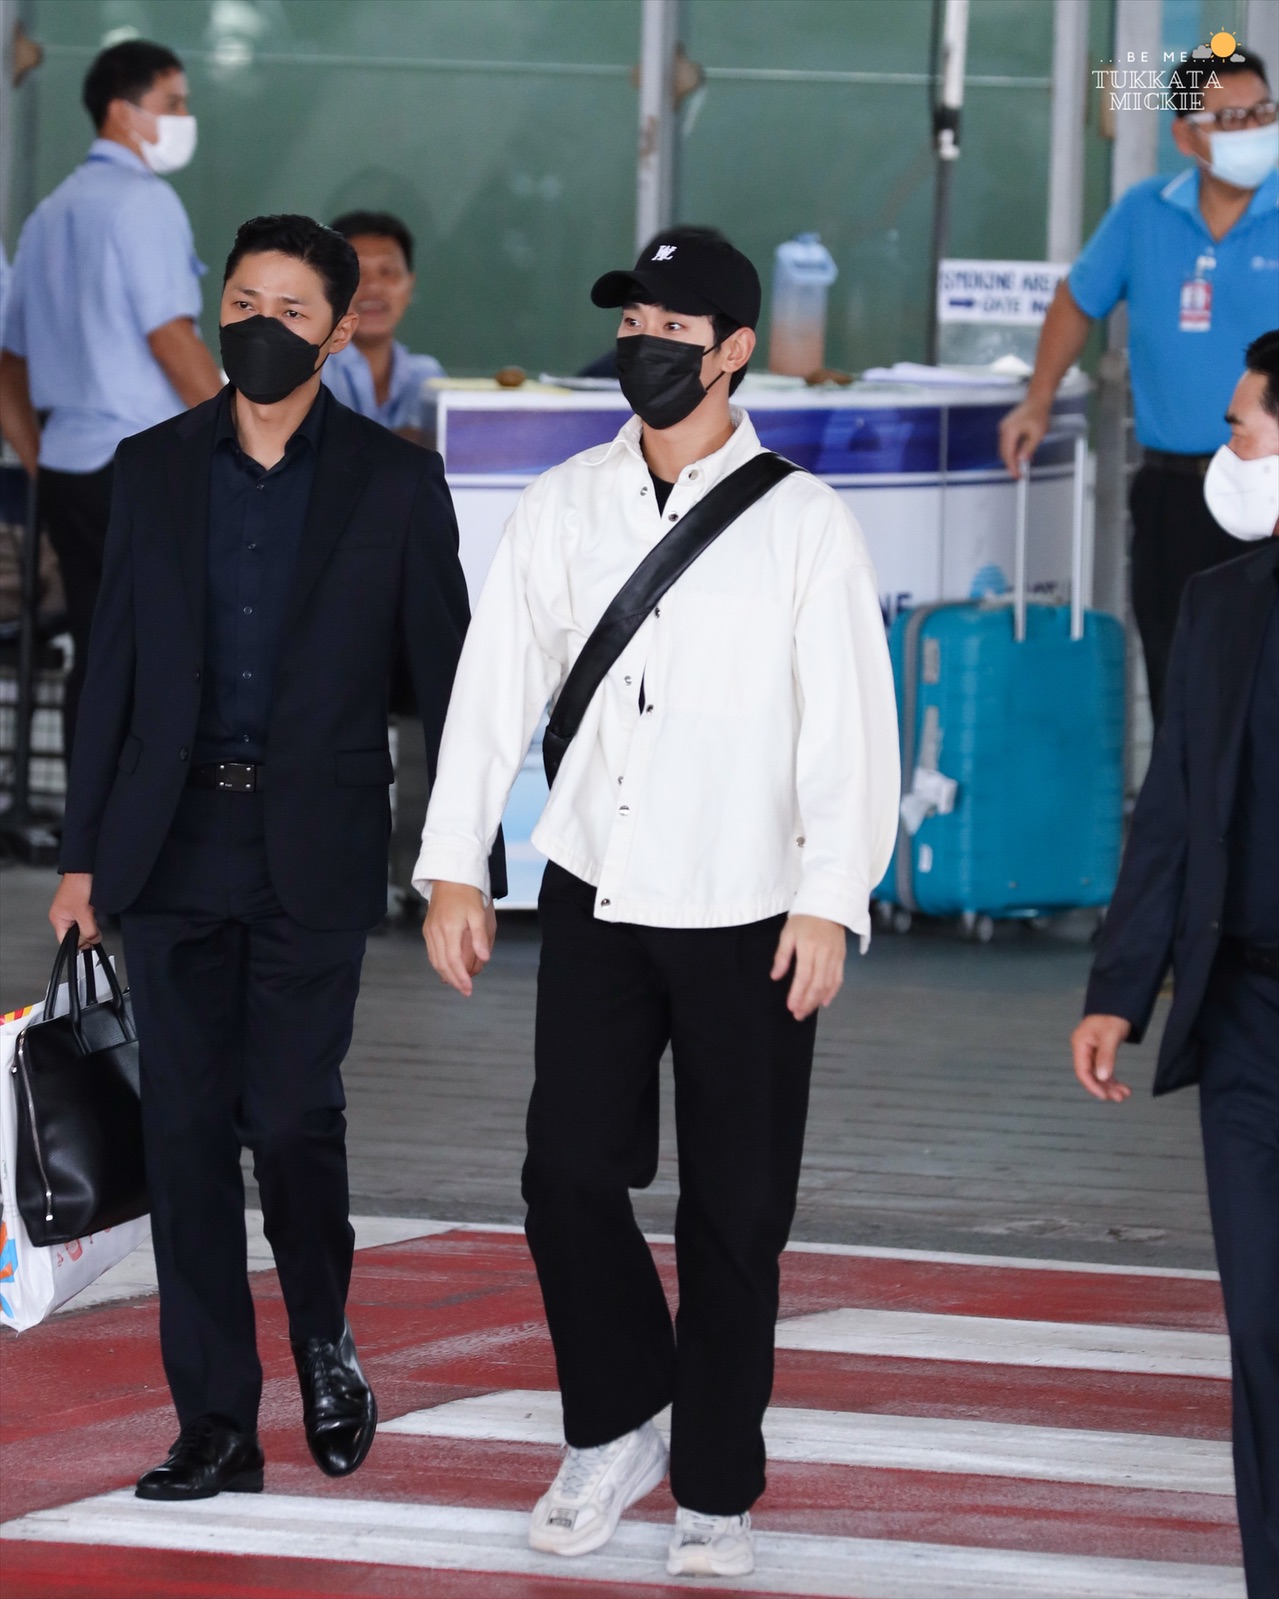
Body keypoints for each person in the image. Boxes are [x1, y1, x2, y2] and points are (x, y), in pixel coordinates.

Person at [417, 226, 899, 1578]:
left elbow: (848, 728)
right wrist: (456, 862)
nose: (643, 345)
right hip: (596, 889)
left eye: (673, 330)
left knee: (735, 1211)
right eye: (632, 322)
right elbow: (492, 688)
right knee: (565, 1172)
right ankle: (618, 1416)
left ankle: (715, 1485)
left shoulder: (804, 522)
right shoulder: (564, 502)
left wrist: (829, 896)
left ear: (734, 350)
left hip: (753, 907)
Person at [47, 214, 503, 1502]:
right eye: (242, 302)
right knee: (185, 1136)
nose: (258, 327)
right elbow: (110, 676)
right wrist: (83, 859)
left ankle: (322, 1336)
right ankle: (215, 1424)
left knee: (293, 1117)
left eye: (289, 310)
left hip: (315, 847)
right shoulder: (150, 470)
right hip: (168, 845)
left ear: (338, 330)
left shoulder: (394, 483)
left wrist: (460, 861)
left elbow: (452, 686)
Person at [1072, 331, 1279, 1598]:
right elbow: (1171, 814)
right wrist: (1117, 988)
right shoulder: (1220, 605)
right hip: (1245, 1010)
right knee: (1260, 1328)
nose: (1226, 449)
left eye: (1243, 427)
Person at [999, 48, 1278, 721]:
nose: (1252, 129)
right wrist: (1038, 398)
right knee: (1178, 679)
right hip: (1175, 493)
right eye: (1230, 118)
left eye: (1262, 112)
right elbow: (1076, 301)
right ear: (1185, 135)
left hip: (1273, 488)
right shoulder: (1143, 211)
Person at [0, 40, 221, 760]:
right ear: (124, 112)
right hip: (142, 466)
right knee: (164, 650)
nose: (185, 117)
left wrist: (41, 460)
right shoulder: (145, 203)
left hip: (71, 467)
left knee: (100, 647)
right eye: (173, 103)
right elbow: (171, 337)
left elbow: (8, 366)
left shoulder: (47, 214)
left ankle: (90, 817)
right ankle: (148, 816)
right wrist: (246, 434)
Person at [323, 211, 444, 448]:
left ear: (409, 286)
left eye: (387, 271)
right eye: (357, 272)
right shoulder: (307, 371)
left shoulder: (427, 378)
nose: (373, 287)